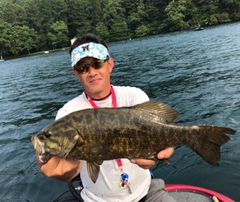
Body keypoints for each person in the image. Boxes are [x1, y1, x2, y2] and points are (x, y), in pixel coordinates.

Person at [37, 33, 176, 202]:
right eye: (83, 68)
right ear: (76, 73)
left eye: (97, 64)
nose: (91, 72)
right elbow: (73, 166)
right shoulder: (68, 113)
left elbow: (155, 135)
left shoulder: (133, 96)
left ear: (110, 64)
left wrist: (154, 157)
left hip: (147, 191)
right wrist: (66, 171)